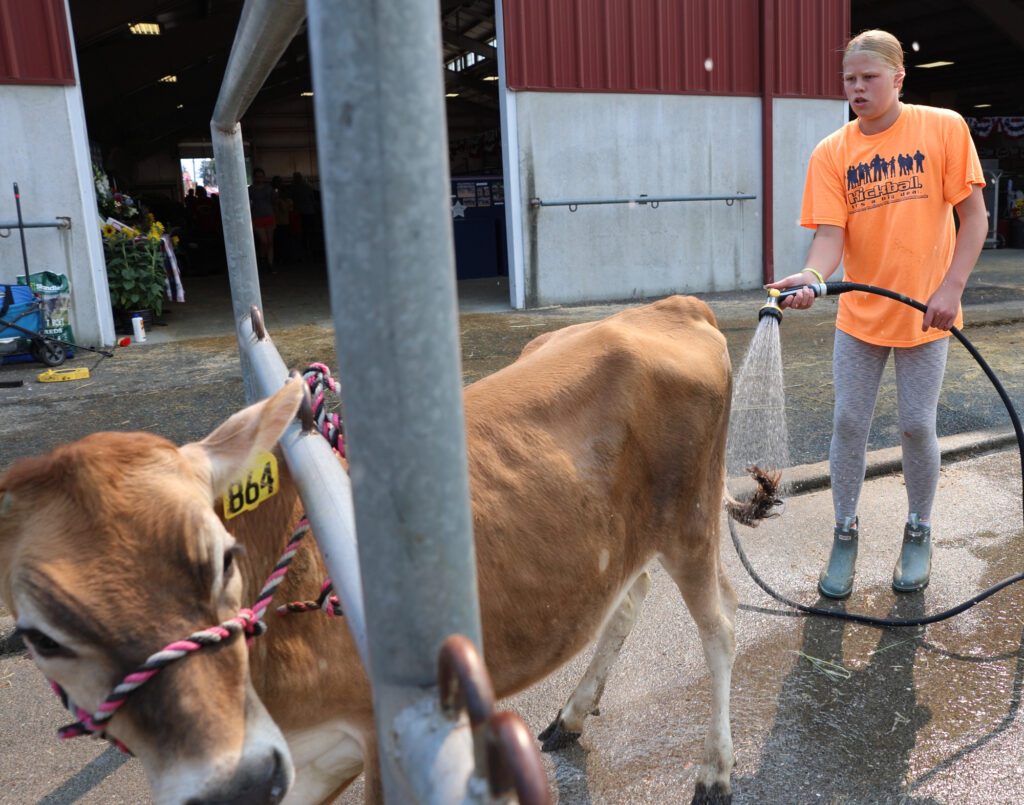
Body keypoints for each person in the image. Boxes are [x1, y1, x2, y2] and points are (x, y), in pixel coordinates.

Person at [767, 30, 988, 599]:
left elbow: (975, 218)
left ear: (898, 78)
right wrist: (814, 278)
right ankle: (845, 531)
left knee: (917, 424)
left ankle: (919, 530)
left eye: (869, 77)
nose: (857, 88)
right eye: (849, 79)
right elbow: (828, 238)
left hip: (926, 315)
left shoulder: (943, 127)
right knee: (847, 423)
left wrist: (951, 288)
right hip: (861, 317)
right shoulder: (832, 152)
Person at [248, 168, 276, 269]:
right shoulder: (250, 189)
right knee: (264, 241)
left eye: (261, 176)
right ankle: (262, 258)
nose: (259, 178)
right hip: (257, 217)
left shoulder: (269, 188)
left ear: (264, 177)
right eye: (257, 176)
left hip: (269, 215)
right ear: (254, 177)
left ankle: (270, 263)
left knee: (270, 241)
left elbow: (274, 201)